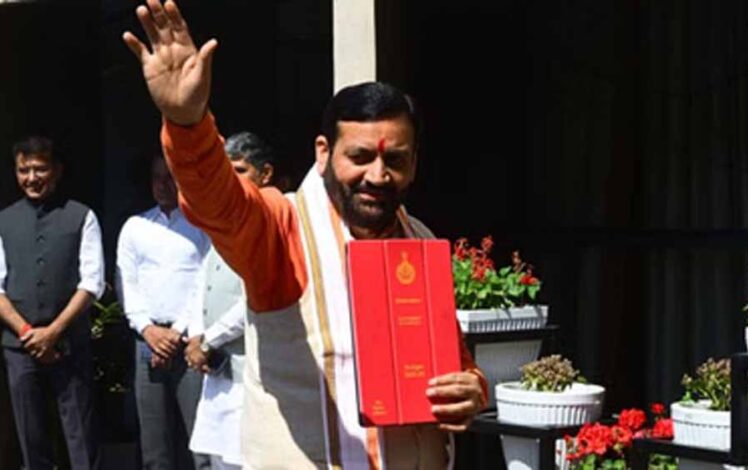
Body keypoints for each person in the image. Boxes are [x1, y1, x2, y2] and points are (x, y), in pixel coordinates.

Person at [123, 2, 486, 468]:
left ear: (413, 163)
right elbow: (220, 204)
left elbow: (450, 360)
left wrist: (471, 387)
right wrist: (188, 124)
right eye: (360, 157)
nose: (378, 175)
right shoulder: (283, 226)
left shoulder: (418, 240)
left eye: (394, 160)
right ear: (323, 152)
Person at [0, 136, 104, 470]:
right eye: (23, 170)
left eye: (40, 169)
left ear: (56, 170)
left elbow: (92, 282)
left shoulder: (81, 216)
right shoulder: (4, 221)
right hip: (20, 348)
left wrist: (54, 331)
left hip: (70, 345)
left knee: (81, 439)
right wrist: (27, 332)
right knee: (31, 440)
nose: (31, 178)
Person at [184, 131, 277, 470]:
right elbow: (203, 283)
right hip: (217, 367)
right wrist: (196, 334)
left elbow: (255, 296)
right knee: (217, 458)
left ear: (265, 174)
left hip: (249, 368)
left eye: (240, 171)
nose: (231, 181)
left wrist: (209, 340)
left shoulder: (272, 221)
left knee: (245, 458)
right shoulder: (224, 219)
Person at [116, 155, 211, 470]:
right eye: (157, 178)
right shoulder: (135, 226)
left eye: (170, 177)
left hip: (191, 341)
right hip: (147, 341)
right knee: (154, 446)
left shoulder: (202, 225)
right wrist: (147, 329)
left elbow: (205, 282)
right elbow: (127, 283)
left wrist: (177, 332)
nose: (163, 185)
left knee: (201, 444)